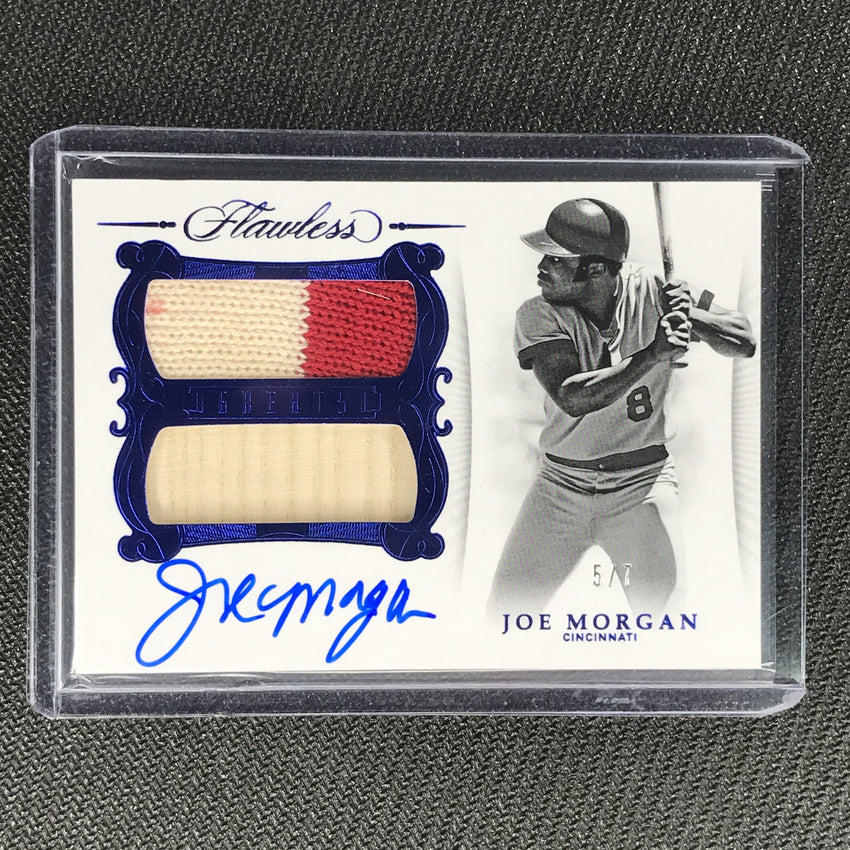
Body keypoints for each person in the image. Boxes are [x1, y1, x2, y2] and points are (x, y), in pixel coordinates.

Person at [487, 198, 756, 617]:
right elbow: (572, 397)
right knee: (503, 617)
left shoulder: (650, 288)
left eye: (555, 258)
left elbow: (744, 340)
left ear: (596, 269)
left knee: (664, 624)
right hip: (559, 488)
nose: (541, 266)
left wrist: (690, 316)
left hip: (642, 486)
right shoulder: (537, 314)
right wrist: (653, 354)